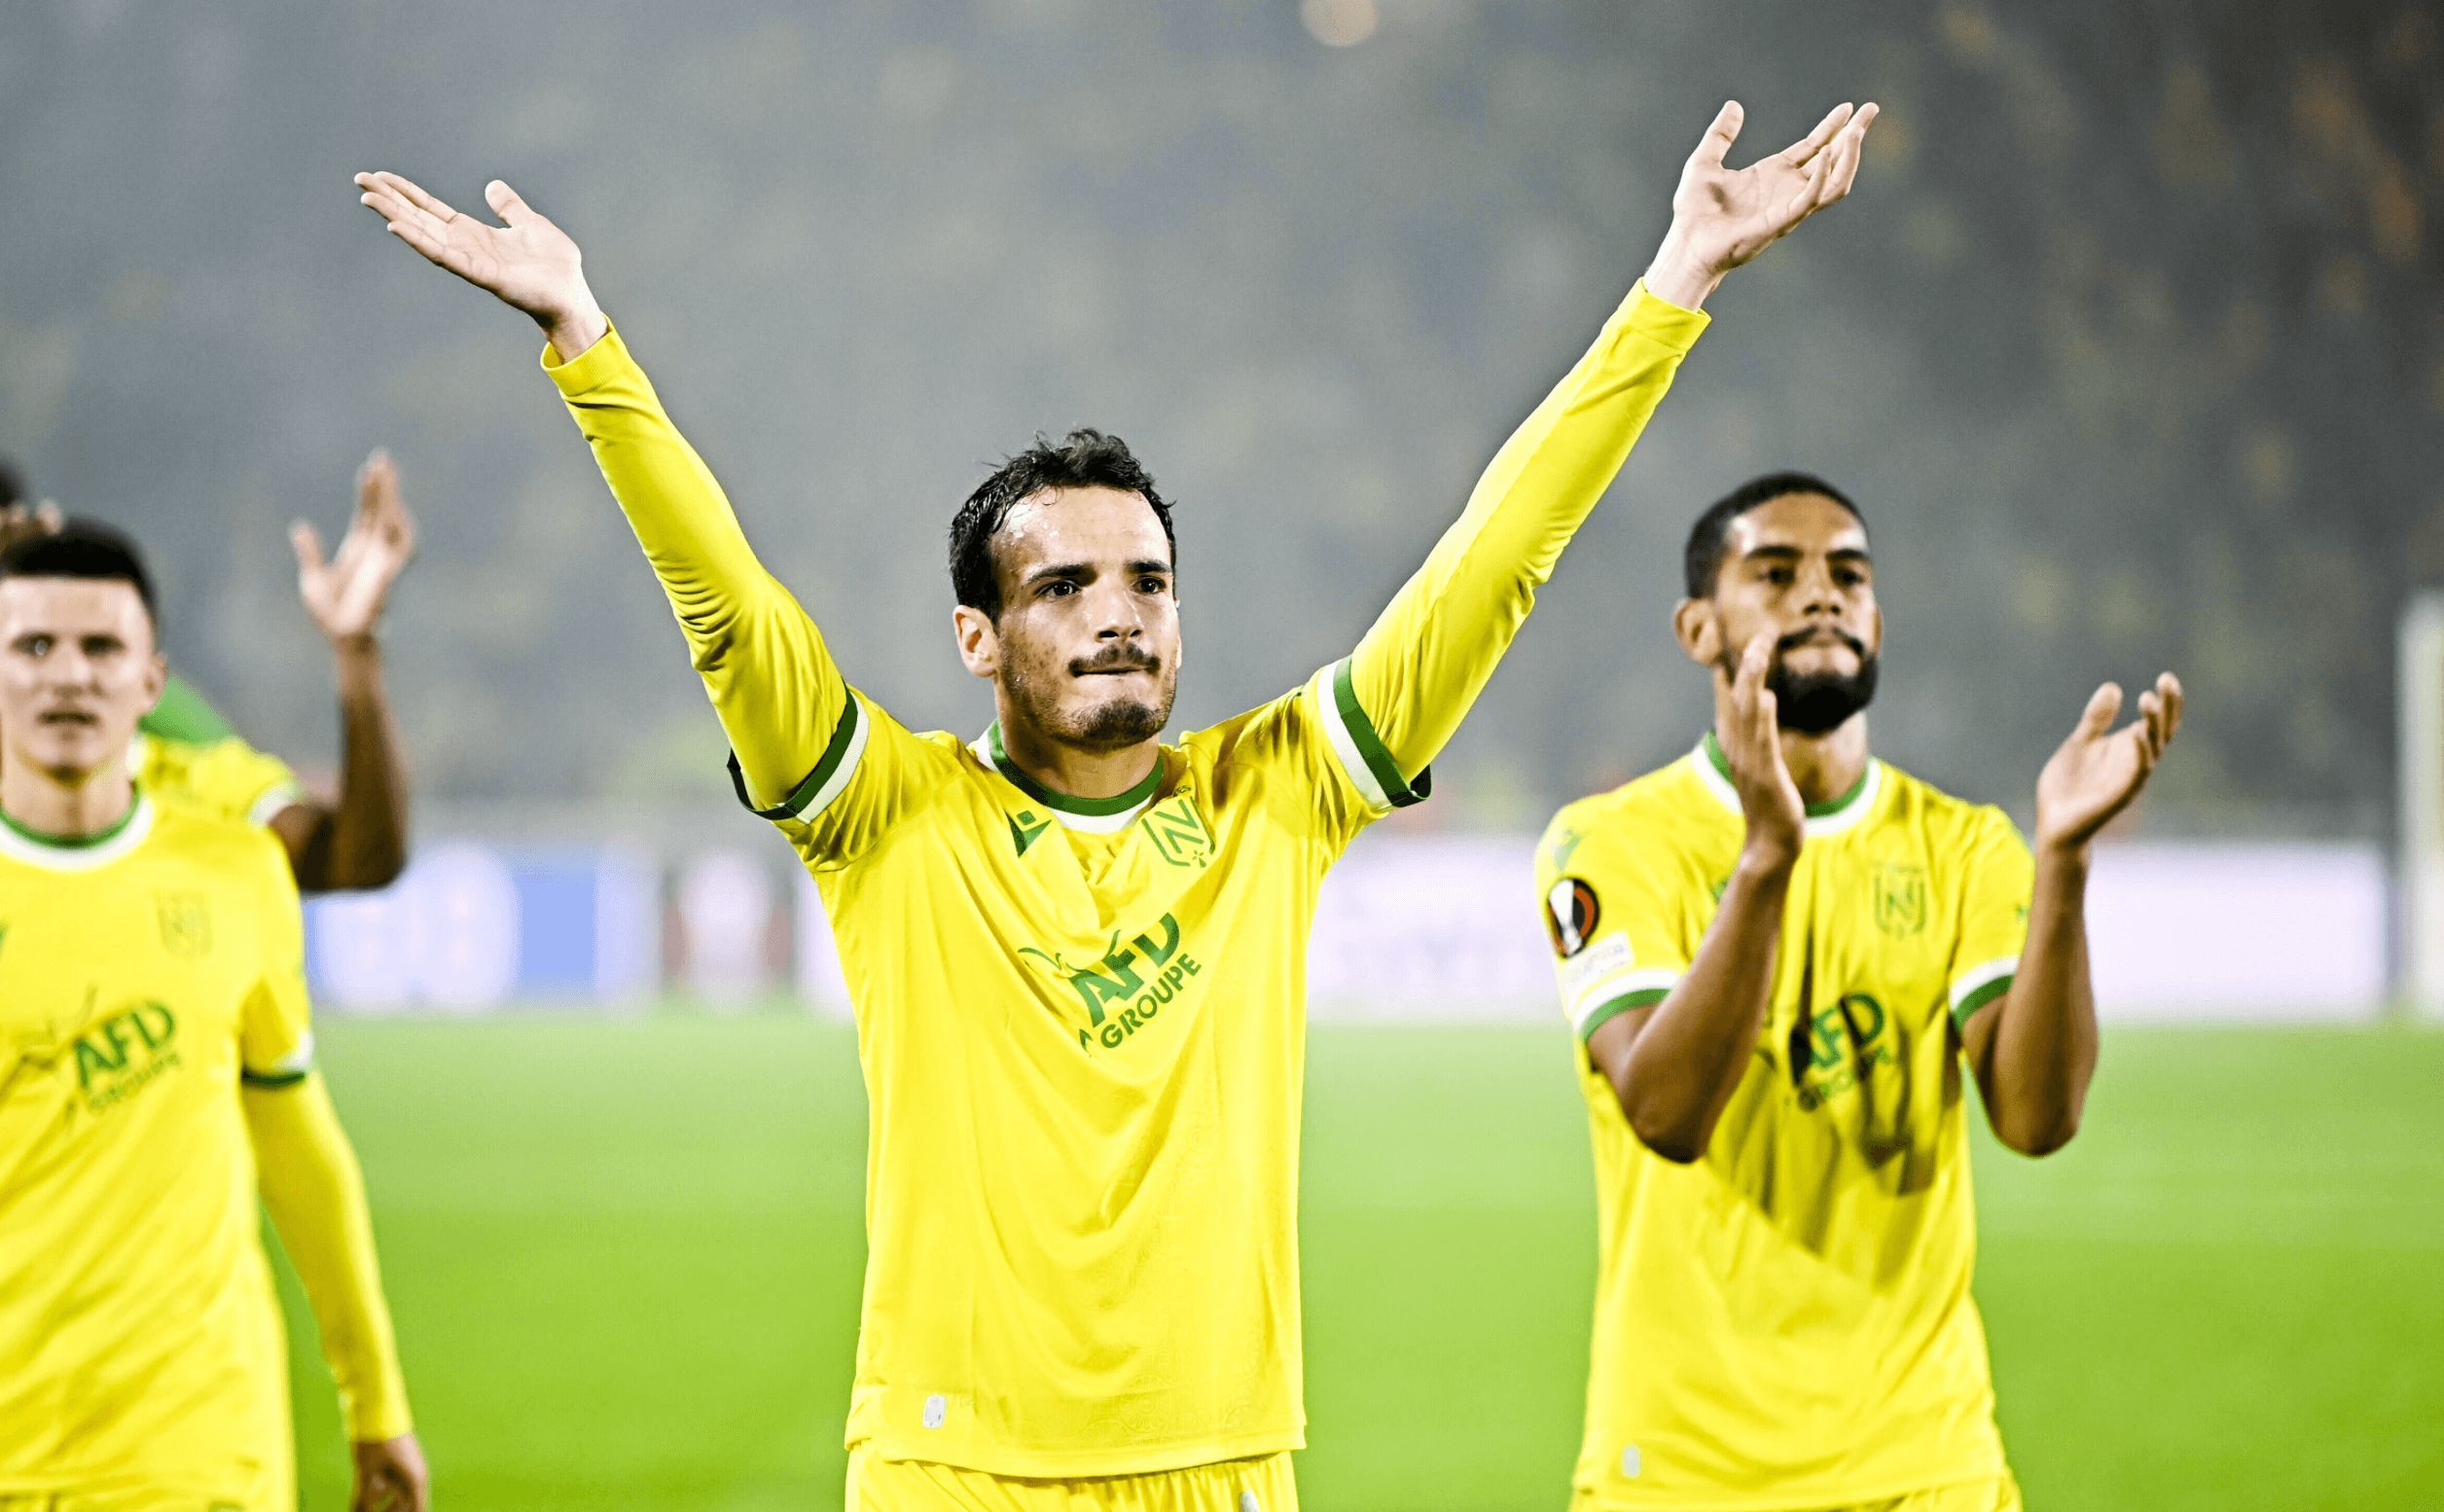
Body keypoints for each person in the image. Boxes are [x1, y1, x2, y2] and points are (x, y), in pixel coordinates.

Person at [356, 97, 1874, 1510]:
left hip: (1223, 1459)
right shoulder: (891, 812)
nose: (1119, 612)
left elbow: (1497, 557)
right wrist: (586, 340)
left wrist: (1673, 281)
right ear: (979, 640)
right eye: (1064, 584)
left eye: (1147, 578)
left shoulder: (1275, 795)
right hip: (952, 1464)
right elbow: (728, 606)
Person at [1534, 472, 2183, 1512]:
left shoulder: (1965, 845)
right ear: (1698, 627)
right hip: (1684, 1472)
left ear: (1877, 619)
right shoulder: (1614, 841)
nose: (1821, 594)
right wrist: (1767, 860)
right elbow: (1665, 1112)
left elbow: (2036, 1117)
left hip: (1925, 1468)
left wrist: (2061, 861)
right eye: (1776, 572)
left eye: (1848, 573)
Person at [0, 522, 427, 1511]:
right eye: (33, 647)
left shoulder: (235, 870)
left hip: (199, 1450)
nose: (69, 674)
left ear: (152, 686)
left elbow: (301, 1152)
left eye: (100, 648)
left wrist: (378, 1402)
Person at [0, 453, 415, 893]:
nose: (68, 676)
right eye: (34, 643)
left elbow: (352, 862)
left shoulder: (152, 744)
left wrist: (357, 651)